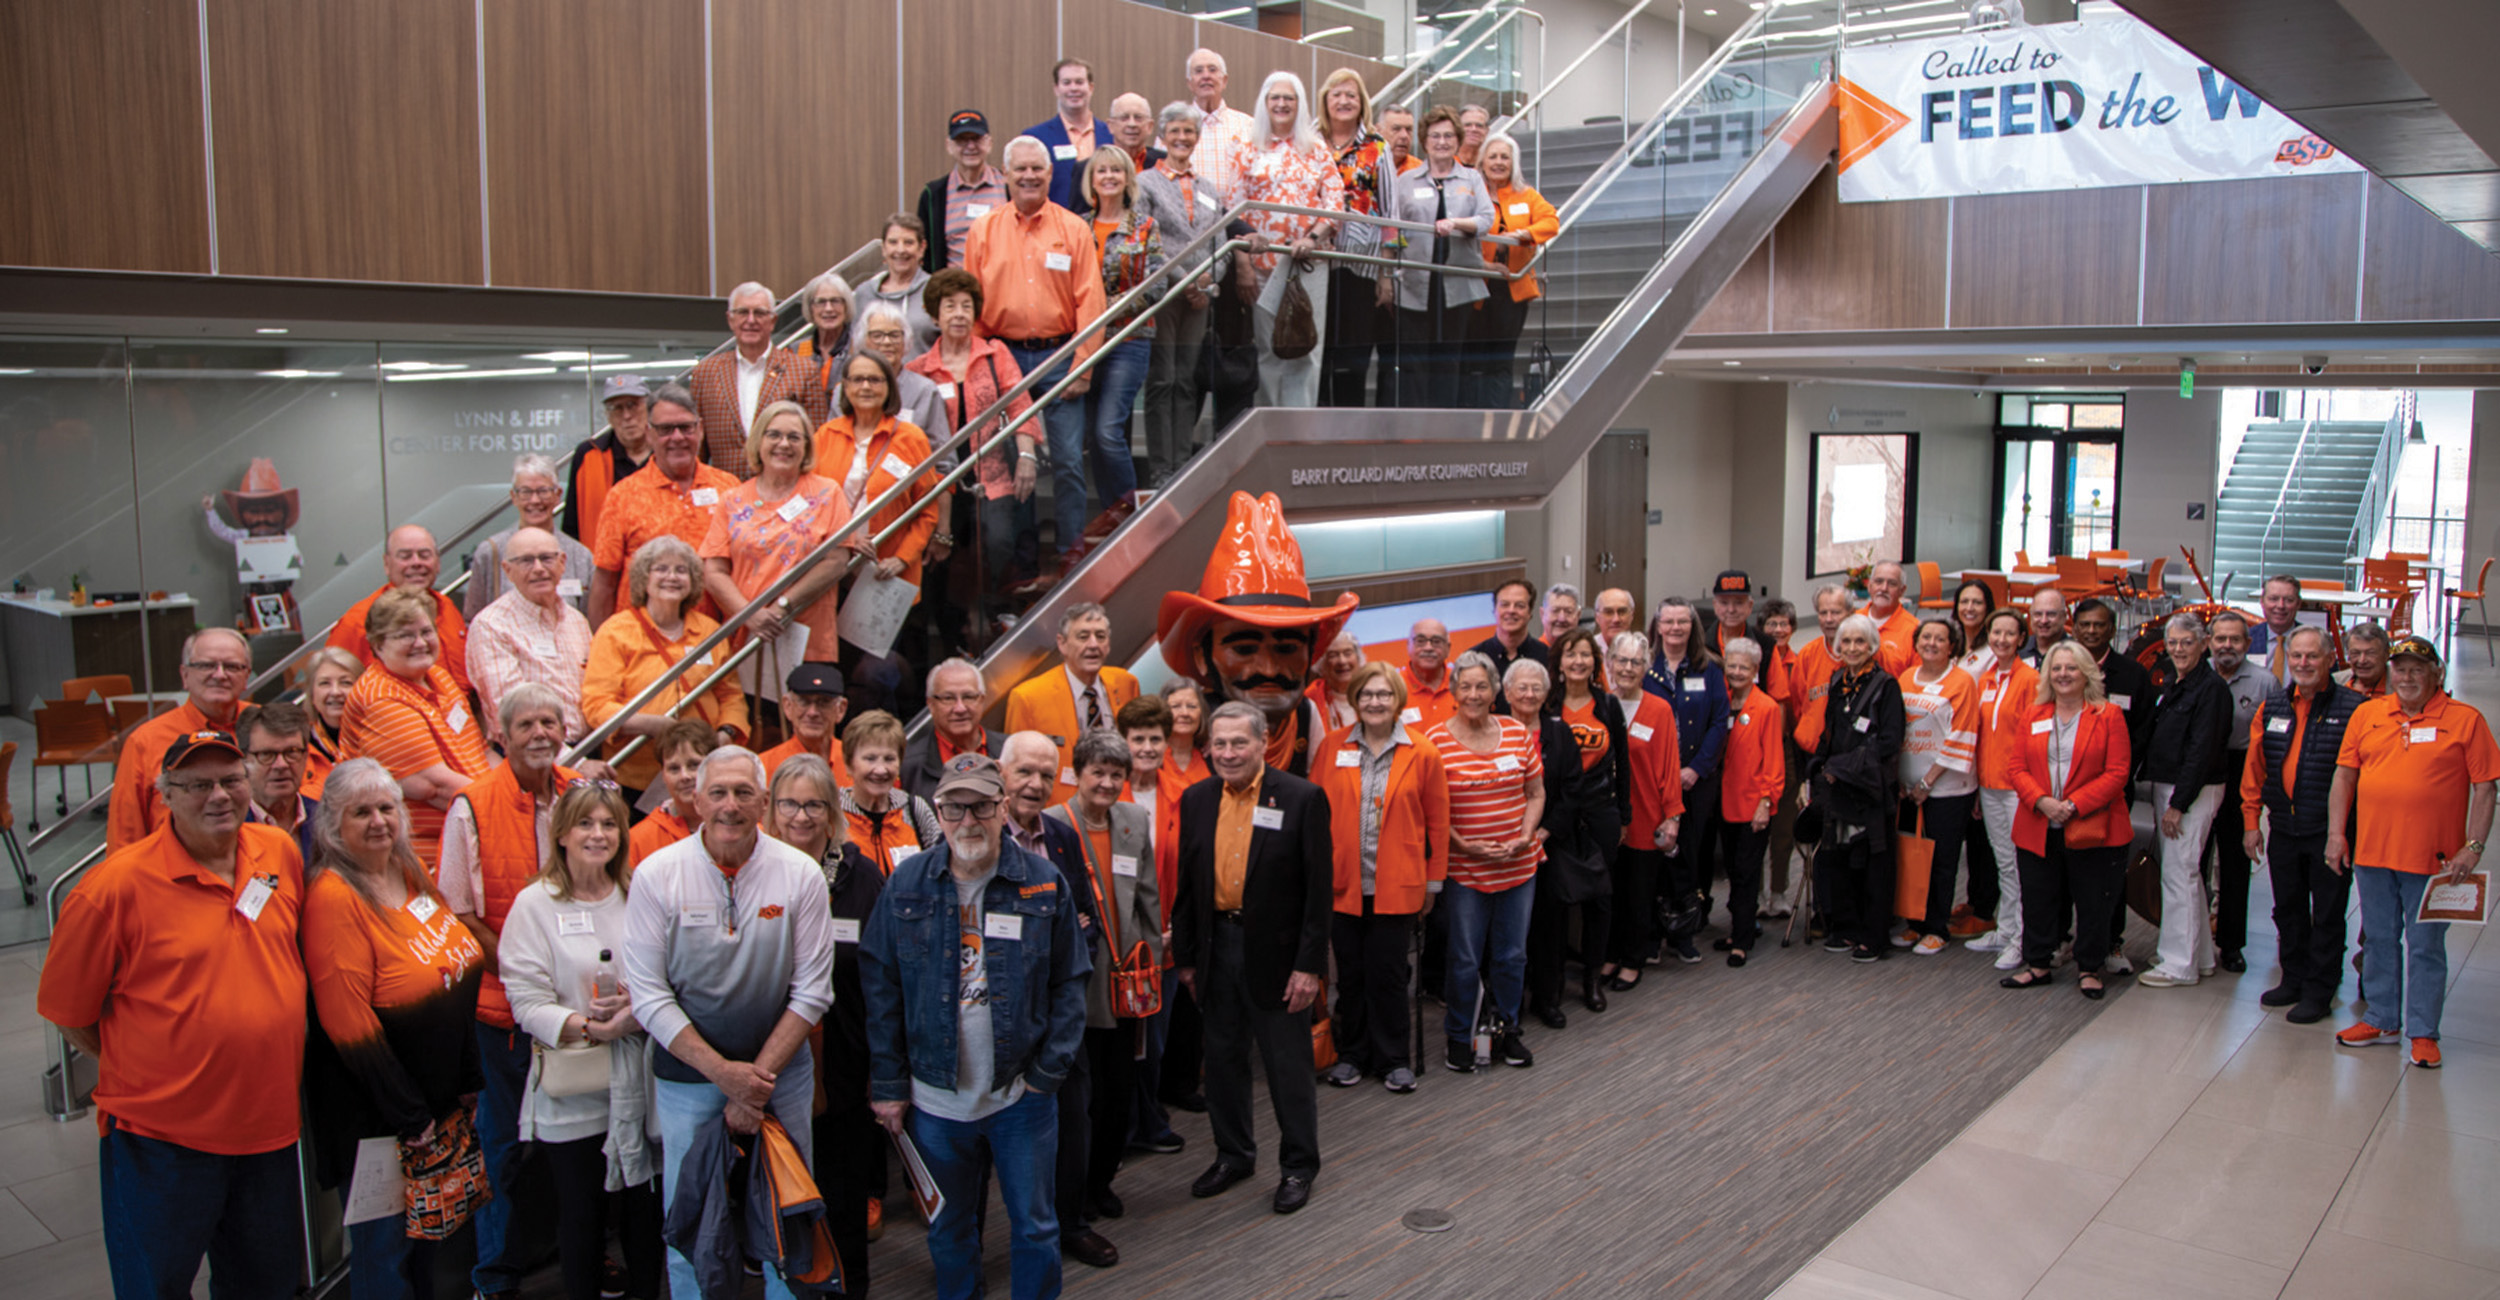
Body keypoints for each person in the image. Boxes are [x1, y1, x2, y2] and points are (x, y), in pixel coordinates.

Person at [38, 728, 308, 1300]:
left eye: (231, 780)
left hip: (268, 1131)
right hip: (162, 1143)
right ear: (165, 795)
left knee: (267, 1286)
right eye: (197, 785)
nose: (219, 796)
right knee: (155, 1287)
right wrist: (155, 1064)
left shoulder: (277, 852)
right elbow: (70, 1013)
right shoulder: (112, 889)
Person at [860, 751, 1089, 1299]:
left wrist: (1046, 1076)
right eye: (955, 808)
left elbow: (1071, 981)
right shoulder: (908, 882)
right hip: (935, 1102)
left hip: (1020, 1096)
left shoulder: (1042, 881)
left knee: (1036, 1228)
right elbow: (881, 988)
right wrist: (889, 1085)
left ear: (1003, 808)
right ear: (937, 813)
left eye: (982, 807)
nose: (968, 821)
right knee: (949, 1229)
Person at [623, 746, 837, 1300]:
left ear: (763, 802)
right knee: (690, 1219)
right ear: (696, 800)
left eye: (743, 793)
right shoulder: (656, 875)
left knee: (789, 1216)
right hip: (689, 1079)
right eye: (717, 792)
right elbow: (647, 995)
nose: (730, 805)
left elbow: (813, 991)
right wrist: (724, 1074)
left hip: (780, 1078)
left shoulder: (800, 874)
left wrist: (754, 1082)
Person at [300, 757, 486, 1300]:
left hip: (437, 1107)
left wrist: (465, 1081)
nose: (379, 821)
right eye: (361, 812)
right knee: (387, 1259)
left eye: (387, 807)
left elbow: (455, 971)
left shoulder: (406, 870)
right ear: (333, 825)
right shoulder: (334, 897)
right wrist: (412, 1118)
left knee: (433, 1254)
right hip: (381, 1123)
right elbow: (348, 1025)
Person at [434, 681, 578, 1300]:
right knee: (504, 1147)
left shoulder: (582, 795)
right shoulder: (471, 805)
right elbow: (460, 913)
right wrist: (526, 981)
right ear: (501, 734)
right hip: (504, 1015)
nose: (540, 733)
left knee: (581, 1145)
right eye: (526, 724)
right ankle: (495, 1276)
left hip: (577, 1013)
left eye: (550, 722)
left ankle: (579, 1257)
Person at [496, 780, 662, 1300]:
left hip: (639, 1082)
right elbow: (526, 1003)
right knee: (581, 1217)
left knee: (644, 1214)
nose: (598, 834)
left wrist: (635, 1008)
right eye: (586, 823)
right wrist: (590, 1027)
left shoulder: (639, 894)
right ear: (562, 834)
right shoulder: (534, 905)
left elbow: (666, 975)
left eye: (609, 824)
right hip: (574, 1089)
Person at [1171, 702, 1332, 1214]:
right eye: (1218, 744)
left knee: (1287, 1067)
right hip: (1216, 948)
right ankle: (1233, 1155)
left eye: (1239, 743)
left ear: (1263, 743)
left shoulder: (1302, 798)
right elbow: (1188, 884)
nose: (1228, 753)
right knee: (1222, 1062)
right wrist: (1187, 958)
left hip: (1279, 958)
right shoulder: (1197, 799)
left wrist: (1309, 966)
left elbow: (1318, 893)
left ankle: (1298, 1165)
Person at [2329, 634, 2496, 1070]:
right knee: (2378, 939)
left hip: (2435, 862)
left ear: (2436, 673)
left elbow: (2485, 788)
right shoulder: (2368, 714)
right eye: (2400, 669)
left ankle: (2423, 1032)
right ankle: (2382, 1019)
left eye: (2417, 670)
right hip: (2373, 854)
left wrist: (2473, 847)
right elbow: (2345, 776)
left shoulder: (2465, 720)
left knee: (2425, 947)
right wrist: (2336, 834)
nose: (2406, 677)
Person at [993, 731, 1118, 1270]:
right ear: (1001, 773)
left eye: (1047, 774)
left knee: (1073, 1118)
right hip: (993, 1011)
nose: (1035, 784)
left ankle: (1071, 1224)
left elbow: (1086, 921)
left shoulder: (1063, 836)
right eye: (1025, 771)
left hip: (1058, 1010)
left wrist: (1060, 948)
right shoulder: (978, 831)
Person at [964, 134, 1106, 561]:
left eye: (1036, 168)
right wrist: (979, 364)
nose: (1029, 176)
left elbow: (1091, 301)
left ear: (1050, 173)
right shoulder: (983, 230)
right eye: (1020, 169)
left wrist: (1082, 366)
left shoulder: (1073, 228)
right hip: (1003, 357)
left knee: (1068, 461)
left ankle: (1070, 556)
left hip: (1060, 356)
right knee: (1013, 462)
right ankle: (1023, 565)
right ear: (1005, 175)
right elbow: (971, 302)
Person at [1046, 731, 1163, 1231]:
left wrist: (1152, 961)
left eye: (1117, 774)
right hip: (1081, 981)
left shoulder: (1134, 819)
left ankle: (1102, 1181)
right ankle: (1075, 1190)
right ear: (1078, 773)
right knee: (1081, 1098)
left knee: (1119, 1091)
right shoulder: (1053, 823)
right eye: (1098, 772)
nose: (1108, 783)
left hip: (1128, 982)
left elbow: (1148, 897)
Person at [1156, 491, 1359, 776]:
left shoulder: (1306, 715)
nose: (1268, 669)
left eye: (1287, 649)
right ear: (1202, 656)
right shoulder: (1192, 721)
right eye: (1244, 649)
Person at [1313, 662, 1446, 1093]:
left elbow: (1438, 823)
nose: (1375, 702)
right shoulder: (1332, 747)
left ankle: (1393, 1059)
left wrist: (1433, 883)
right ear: (1355, 699)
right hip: (1342, 884)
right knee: (1350, 977)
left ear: (1397, 700)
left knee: (1388, 976)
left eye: (1384, 694)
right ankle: (1352, 1055)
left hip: (1398, 883)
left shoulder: (1422, 751)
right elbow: (1315, 815)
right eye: (1367, 694)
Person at [1427, 652, 1545, 1070]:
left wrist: (1525, 835)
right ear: (1454, 692)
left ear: (1495, 691)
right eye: (1466, 686)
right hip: (1466, 871)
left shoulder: (1516, 731)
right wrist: (1465, 846)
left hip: (1519, 866)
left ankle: (1507, 1030)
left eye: (1482, 686)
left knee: (1512, 956)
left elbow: (1535, 792)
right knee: (1464, 959)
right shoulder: (1434, 742)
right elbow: (1432, 812)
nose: (1474, 694)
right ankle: (1460, 1035)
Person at [1997, 643, 2134, 998]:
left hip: (2093, 826)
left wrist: (2073, 805)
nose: (2063, 675)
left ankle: (2089, 967)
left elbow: (2118, 772)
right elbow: (2016, 767)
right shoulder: (2034, 713)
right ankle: (2038, 964)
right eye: (2056, 668)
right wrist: (2042, 802)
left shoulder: (2108, 715)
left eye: (2071, 668)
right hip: (2039, 823)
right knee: (2038, 898)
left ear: (2087, 673)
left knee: (2093, 901)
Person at [2239, 626, 2360, 1024]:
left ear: (2330, 660)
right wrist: (2251, 821)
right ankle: (2292, 977)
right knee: (2287, 909)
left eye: (2312, 656)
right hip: (2284, 828)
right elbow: (2255, 768)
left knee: (2327, 914)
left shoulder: (2355, 709)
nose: (2303, 663)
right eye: (2297, 656)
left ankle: (2320, 989)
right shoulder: (2273, 705)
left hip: (2330, 832)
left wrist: (2342, 833)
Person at [700, 399, 864, 686]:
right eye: (774, 435)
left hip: (806, 633)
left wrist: (783, 606)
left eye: (794, 437)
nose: (784, 444)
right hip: (746, 636)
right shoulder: (732, 499)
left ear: (806, 447)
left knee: (807, 710)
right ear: (758, 442)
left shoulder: (827, 493)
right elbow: (713, 571)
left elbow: (837, 561)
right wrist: (750, 615)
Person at [582, 536, 750, 800]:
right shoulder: (615, 631)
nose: (671, 577)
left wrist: (725, 734)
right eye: (661, 569)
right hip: (636, 774)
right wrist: (652, 725)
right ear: (643, 578)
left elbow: (731, 696)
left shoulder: (709, 631)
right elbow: (597, 705)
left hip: (702, 771)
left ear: (693, 580)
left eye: (681, 570)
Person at [339, 588, 493, 868]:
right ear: (378, 645)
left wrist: (519, 790)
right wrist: (507, 805)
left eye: (426, 631)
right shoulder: (380, 699)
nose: (420, 643)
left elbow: (483, 753)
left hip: (474, 833)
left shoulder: (437, 676)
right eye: (406, 635)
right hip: (428, 860)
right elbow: (435, 787)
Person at [912, 269, 1040, 601]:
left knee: (998, 544)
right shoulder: (919, 369)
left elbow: (1019, 405)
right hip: (941, 481)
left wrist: (1027, 455)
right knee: (944, 554)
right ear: (935, 315)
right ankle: (955, 622)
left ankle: (995, 612)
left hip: (992, 472)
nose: (959, 314)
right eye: (950, 306)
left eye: (966, 306)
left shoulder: (995, 354)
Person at [1226, 71, 1343, 408]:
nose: (1281, 104)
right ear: (1264, 103)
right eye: (1275, 97)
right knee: (1270, 349)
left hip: (1309, 263)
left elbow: (1335, 202)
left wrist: (1314, 237)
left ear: (1299, 103)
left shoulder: (1316, 148)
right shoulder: (1246, 147)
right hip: (1263, 264)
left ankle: (1301, 426)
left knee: (1307, 348)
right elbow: (1233, 208)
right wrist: (1243, 263)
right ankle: (1270, 423)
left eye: (1288, 98)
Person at [588, 381, 742, 626]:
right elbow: (605, 582)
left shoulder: (729, 488)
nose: (677, 437)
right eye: (666, 429)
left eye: (686, 427)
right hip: (641, 640)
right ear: (649, 434)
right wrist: (600, 642)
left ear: (700, 429)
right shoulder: (622, 496)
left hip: (715, 638)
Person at [1533, 630, 1630, 1010]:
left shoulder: (1607, 705)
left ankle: (1592, 979)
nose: (1578, 661)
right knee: (1555, 903)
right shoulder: (1547, 705)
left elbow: (1623, 762)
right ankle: (1553, 983)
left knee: (1600, 901)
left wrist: (1624, 815)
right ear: (1559, 661)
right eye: (1571, 654)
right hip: (1557, 816)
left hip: (1599, 813)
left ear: (1595, 662)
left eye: (1586, 655)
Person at [1803, 614, 1906, 963]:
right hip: (1837, 788)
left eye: (1859, 641)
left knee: (1875, 866)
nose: (1851, 648)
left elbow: (1889, 740)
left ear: (1872, 646)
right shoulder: (1837, 681)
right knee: (1839, 860)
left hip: (1870, 787)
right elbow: (1829, 733)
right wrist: (1817, 767)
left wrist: (1843, 769)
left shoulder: (1886, 686)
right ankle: (1845, 927)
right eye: (1845, 642)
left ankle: (1874, 936)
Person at [1136, 100, 1230, 482]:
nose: (1181, 137)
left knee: (1187, 380)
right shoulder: (1145, 183)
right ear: (1162, 136)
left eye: (1188, 131)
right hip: (1164, 296)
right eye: (1174, 130)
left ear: (1196, 137)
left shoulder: (1209, 189)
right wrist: (1185, 281)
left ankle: (1182, 465)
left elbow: (1221, 243)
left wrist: (1209, 279)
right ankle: (1161, 469)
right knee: (1163, 380)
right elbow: (1146, 241)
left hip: (1200, 298)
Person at [2138, 612, 2231, 988]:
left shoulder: (2211, 689)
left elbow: (2202, 751)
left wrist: (2179, 804)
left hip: (2191, 791)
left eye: (2186, 643)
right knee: (2182, 873)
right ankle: (2200, 956)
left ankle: (2179, 964)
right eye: (2173, 643)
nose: (2178, 649)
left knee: (2179, 874)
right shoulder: (2177, 681)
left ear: (2204, 643)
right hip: (2172, 786)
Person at [1116, 694, 1191, 1152]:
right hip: (1118, 944)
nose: (1146, 748)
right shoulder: (1106, 794)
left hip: (1166, 942)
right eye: (1138, 738)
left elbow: (1192, 871)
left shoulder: (1186, 794)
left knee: (1156, 1040)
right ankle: (1123, 1131)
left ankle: (1150, 1121)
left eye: (1155, 739)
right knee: (1123, 1042)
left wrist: (1175, 931)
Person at [1381, 106, 1490, 408]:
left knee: (1449, 360)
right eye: (1435, 136)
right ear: (1425, 141)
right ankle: (1415, 423)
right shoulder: (1406, 181)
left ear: (1458, 140)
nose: (1442, 142)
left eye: (1448, 136)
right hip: (1414, 284)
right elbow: (1391, 229)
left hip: (1456, 285)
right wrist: (1388, 276)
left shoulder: (1472, 178)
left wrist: (1456, 224)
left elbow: (1485, 219)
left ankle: (1444, 421)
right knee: (1413, 361)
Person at [106, 626, 251, 850]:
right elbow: (125, 836)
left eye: (232, 666)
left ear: (247, 676)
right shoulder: (145, 741)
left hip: (261, 864)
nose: (220, 675)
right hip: (172, 868)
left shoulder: (267, 728)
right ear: (185, 675)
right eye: (206, 665)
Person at [1076, 144, 1159, 517]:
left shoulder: (1145, 226)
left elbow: (1156, 285)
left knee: (1109, 431)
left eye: (1116, 170)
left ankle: (1131, 514)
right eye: (1101, 170)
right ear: (1091, 180)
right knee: (1094, 437)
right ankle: (1112, 515)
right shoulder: (1076, 226)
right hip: (1084, 344)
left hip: (1129, 339)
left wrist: (1101, 307)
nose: (1108, 177)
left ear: (1127, 178)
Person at [1895, 619, 1982, 956]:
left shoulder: (1962, 682)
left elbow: (1961, 736)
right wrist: (1901, 781)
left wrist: (1927, 782)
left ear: (1952, 646)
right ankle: (1914, 923)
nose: (1931, 643)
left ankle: (1936, 928)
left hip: (1947, 790)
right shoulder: (1906, 678)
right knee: (1911, 856)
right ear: (1916, 643)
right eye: (1926, 637)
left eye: (1940, 639)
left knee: (1942, 860)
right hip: (1908, 789)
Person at [467, 525, 597, 749]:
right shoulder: (491, 625)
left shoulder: (576, 621)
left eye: (546, 558)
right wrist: (575, 762)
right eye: (526, 561)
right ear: (507, 570)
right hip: (532, 754)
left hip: (587, 748)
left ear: (562, 562)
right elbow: (509, 714)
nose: (538, 569)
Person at [1601, 632, 1682, 988]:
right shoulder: (1601, 705)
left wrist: (1672, 817)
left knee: (1637, 894)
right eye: (1621, 660)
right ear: (1609, 663)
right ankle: (1609, 955)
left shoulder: (1659, 709)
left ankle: (1632, 960)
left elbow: (1669, 766)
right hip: (1606, 818)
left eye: (1636, 662)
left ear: (1646, 667)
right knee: (1608, 893)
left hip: (1645, 816)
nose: (1627, 668)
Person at [1647, 597, 1726, 959]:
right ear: (1658, 626)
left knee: (1688, 855)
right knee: (1654, 856)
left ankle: (1683, 934)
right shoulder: (1646, 668)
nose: (1675, 628)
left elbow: (1719, 723)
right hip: (1653, 782)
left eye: (1683, 621)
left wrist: (1696, 768)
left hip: (1696, 780)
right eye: (1669, 621)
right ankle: (1651, 935)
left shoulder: (1708, 668)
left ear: (1692, 626)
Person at [688, 281, 828, 477]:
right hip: (724, 490)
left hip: (785, 488)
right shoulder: (705, 373)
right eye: (742, 312)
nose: (751, 320)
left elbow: (816, 443)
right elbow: (697, 447)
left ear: (773, 321)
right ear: (730, 319)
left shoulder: (804, 371)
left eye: (760, 313)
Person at [1006, 602, 1143, 802]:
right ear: (1062, 643)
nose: (1093, 644)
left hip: (1119, 806)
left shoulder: (1126, 683)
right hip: (1059, 811)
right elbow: (1016, 771)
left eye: (1100, 636)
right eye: (1083, 636)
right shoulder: (1028, 698)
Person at [1967, 609, 2040, 970]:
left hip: (2017, 788)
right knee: (2003, 862)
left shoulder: (2030, 679)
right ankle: (2007, 928)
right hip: (1989, 784)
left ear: (2021, 639)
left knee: (2020, 864)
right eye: (1996, 633)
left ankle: (2022, 938)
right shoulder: (1986, 678)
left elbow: (2033, 736)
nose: (2002, 640)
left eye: (2010, 634)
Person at [2201, 609, 2272, 973]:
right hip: (2200, 771)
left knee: (2235, 861)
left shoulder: (2264, 682)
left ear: (2247, 643)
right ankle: (2195, 937)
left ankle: (2231, 944)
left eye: (2235, 639)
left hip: (2241, 770)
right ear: (2208, 642)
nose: (2227, 645)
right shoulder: (2196, 673)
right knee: (2194, 860)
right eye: (2220, 638)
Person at [1317, 67, 1390, 409]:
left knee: (1353, 359)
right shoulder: (1310, 143)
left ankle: (1348, 431)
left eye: (1351, 95)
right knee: (1318, 355)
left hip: (1361, 266)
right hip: (1316, 262)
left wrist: (1386, 273)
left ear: (1362, 103)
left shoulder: (1377, 147)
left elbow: (1391, 214)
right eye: (1337, 94)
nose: (1344, 101)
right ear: (1325, 101)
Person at [1468, 133, 1557, 409]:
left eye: (1505, 157)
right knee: (1473, 357)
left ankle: (1497, 415)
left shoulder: (1526, 195)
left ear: (1514, 163)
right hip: (1475, 285)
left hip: (1511, 287)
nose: (1498, 162)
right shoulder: (1471, 192)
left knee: (1502, 358)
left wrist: (1523, 235)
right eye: (1493, 156)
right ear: (1482, 162)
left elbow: (1551, 222)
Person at [330, 523, 473, 692]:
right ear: (387, 564)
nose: (416, 562)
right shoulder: (358, 621)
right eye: (405, 556)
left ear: (438, 563)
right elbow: (333, 684)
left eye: (424, 555)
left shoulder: (446, 607)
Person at [1714, 637, 1786, 967]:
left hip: (1753, 804)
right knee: (1733, 870)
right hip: (1724, 802)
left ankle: (1742, 941)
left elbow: (1774, 760)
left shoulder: (1767, 707)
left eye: (1744, 667)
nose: (1737, 672)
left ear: (1756, 669)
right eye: (1732, 666)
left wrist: (1766, 802)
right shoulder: (1723, 701)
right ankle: (1737, 929)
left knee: (1746, 873)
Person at [464, 455, 596, 617]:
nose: (535, 500)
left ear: (558, 495)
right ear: (514, 497)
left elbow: (589, 622)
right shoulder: (491, 552)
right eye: (526, 492)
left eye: (543, 491)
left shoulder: (580, 556)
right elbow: (473, 618)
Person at [843, 709, 941, 876]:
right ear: (849, 765)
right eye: (870, 759)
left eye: (889, 759)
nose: (881, 770)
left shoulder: (915, 809)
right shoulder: (833, 815)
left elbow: (941, 866)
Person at [564, 374, 654, 546]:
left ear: (649, 408)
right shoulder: (588, 455)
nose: (627, 416)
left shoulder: (667, 452)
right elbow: (571, 525)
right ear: (608, 416)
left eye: (633, 405)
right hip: (602, 556)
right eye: (617, 408)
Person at [905, 657, 1006, 804]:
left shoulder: (1009, 753)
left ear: (982, 701)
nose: (960, 708)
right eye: (948, 698)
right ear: (931, 705)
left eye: (968, 697)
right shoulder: (908, 766)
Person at [917, 109, 1007, 272]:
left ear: (989, 143)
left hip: (1001, 283)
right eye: (962, 140)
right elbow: (925, 253)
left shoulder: (1009, 186)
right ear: (949, 146)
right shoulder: (933, 195)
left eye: (976, 139)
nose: (970, 146)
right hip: (953, 285)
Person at [239, 701, 320, 861]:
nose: (281, 765)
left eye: (291, 752)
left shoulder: (327, 820)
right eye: (267, 754)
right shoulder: (229, 825)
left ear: (305, 757)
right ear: (244, 761)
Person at [1029, 58, 1115, 209]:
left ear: (1091, 87)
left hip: (1104, 220)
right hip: (1056, 220)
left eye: (1079, 82)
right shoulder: (1036, 138)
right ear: (1056, 89)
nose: (1073, 88)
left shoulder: (1111, 134)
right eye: (1066, 82)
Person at [628, 719, 716, 865]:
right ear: (663, 775)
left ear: (715, 766)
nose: (684, 776)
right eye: (674, 769)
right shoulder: (638, 840)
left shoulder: (742, 827)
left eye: (694, 765)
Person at [858, 214, 940, 353]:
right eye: (893, 242)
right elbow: (855, 347)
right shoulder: (864, 293)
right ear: (883, 248)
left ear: (921, 248)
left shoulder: (937, 290)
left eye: (908, 242)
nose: (900, 250)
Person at [1184, 47, 1258, 194]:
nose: (1206, 76)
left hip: (1237, 208)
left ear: (1224, 80)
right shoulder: (1174, 127)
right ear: (1190, 83)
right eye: (1198, 71)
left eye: (1212, 70)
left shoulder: (1249, 126)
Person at [304, 645, 363, 798]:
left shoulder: (379, 736)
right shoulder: (299, 745)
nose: (335, 692)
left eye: (345, 683)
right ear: (312, 694)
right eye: (325, 683)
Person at [1474, 578, 1550, 693]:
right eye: (1504, 605)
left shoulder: (1548, 658)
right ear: (1494, 610)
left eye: (1520, 606)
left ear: (1530, 613)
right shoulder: (1476, 658)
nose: (1511, 610)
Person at [792, 272, 857, 396]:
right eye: (820, 302)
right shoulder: (794, 351)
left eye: (835, 301)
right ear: (810, 308)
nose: (828, 308)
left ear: (846, 306)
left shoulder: (859, 348)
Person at [1401, 618, 1459, 731]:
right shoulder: (1393, 688)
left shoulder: (1462, 683)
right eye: (1420, 641)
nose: (1428, 648)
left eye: (1436, 641)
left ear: (1448, 648)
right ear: (1408, 645)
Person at [1861, 561, 1919, 674]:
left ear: (1902, 591)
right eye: (1879, 581)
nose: (1884, 588)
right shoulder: (1851, 620)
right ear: (1869, 586)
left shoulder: (1914, 630)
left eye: (1892, 584)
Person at [2247, 574, 2305, 681]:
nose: (2280, 606)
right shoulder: (2247, 639)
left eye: (2289, 600)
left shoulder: (2314, 642)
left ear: (2298, 604)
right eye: (2273, 599)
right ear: (2262, 601)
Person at [1307, 628, 1363, 732]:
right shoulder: (1310, 699)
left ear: (1358, 658)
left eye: (1347, 653)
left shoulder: (1373, 691)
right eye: (1333, 655)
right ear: (1322, 664)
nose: (1342, 661)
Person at [1108, 92, 1163, 171]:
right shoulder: (1094, 166)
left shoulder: (1164, 163)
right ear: (1111, 126)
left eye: (1138, 118)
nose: (1132, 124)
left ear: (1150, 126)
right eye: (1124, 118)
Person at [2336, 621, 2391, 697]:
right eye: (2355, 653)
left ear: (2386, 655)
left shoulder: (2402, 686)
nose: (2362, 660)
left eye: (2370, 653)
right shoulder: (2335, 682)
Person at [1950, 579, 1994, 668]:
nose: (1969, 608)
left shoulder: (1994, 649)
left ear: (1987, 607)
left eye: (1977, 603)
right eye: (1964, 602)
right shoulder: (1949, 642)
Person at [2023, 588, 2069, 665]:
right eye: (2038, 614)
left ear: (2064, 617)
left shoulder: (2076, 653)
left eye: (2051, 614)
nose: (2044, 621)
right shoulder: (2019, 649)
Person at [1455, 104, 1491, 168]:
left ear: (1487, 131)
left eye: (1479, 126)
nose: (1473, 129)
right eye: (1467, 125)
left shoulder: (1490, 165)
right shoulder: (1445, 160)